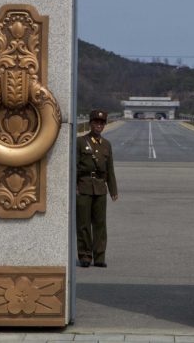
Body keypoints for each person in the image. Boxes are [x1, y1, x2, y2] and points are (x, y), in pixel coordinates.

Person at [76, 109, 118, 268]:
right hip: (84, 187)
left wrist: (113, 189)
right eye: (96, 123)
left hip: (100, 188)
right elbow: (74, 166)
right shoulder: (81, 142)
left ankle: (99, 256)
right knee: (83, 224)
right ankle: (85, 256)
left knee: (100, 224)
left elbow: (110, 169)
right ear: (90, 123)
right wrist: (75, 187)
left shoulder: (107, 144)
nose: (98, 126)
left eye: (101, 123)